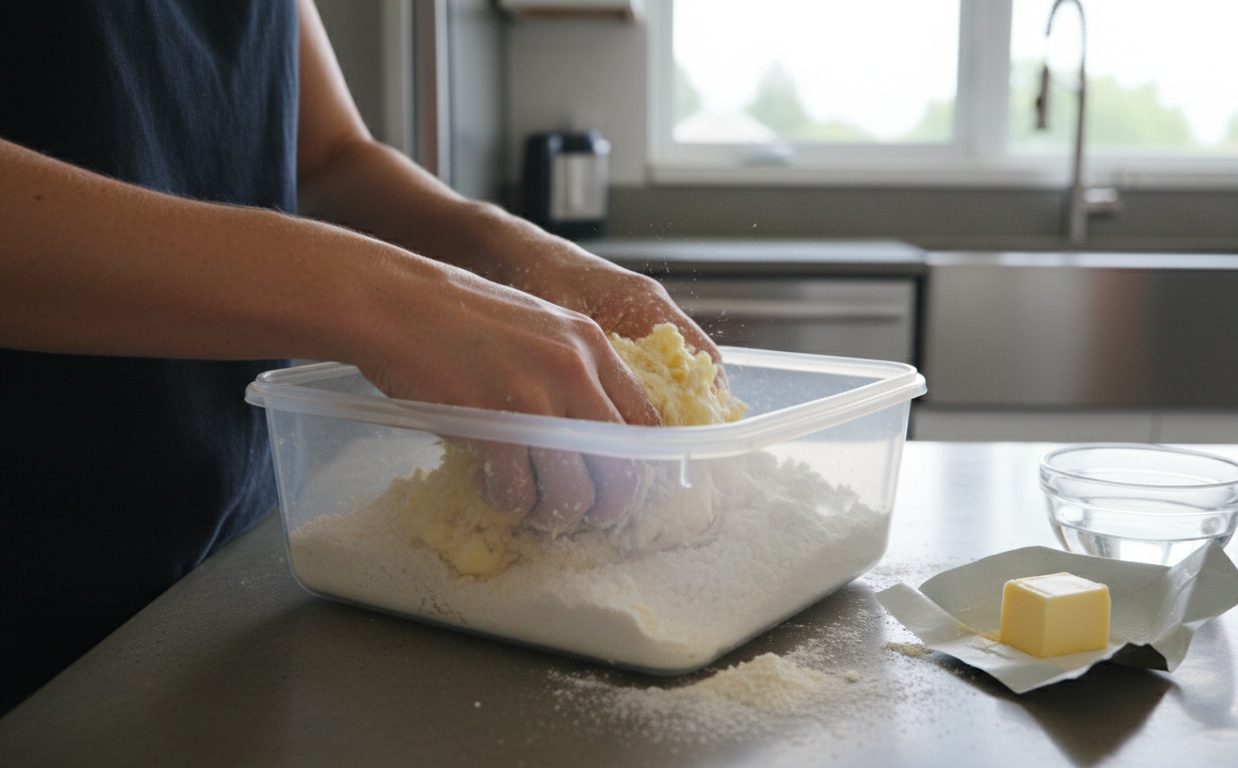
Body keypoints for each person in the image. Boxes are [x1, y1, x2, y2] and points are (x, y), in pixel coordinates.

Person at [0, 0, 716, 713]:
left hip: (228, 571)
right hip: (42, 599)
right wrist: (382, 300)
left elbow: (330, 156)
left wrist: (512, 248)